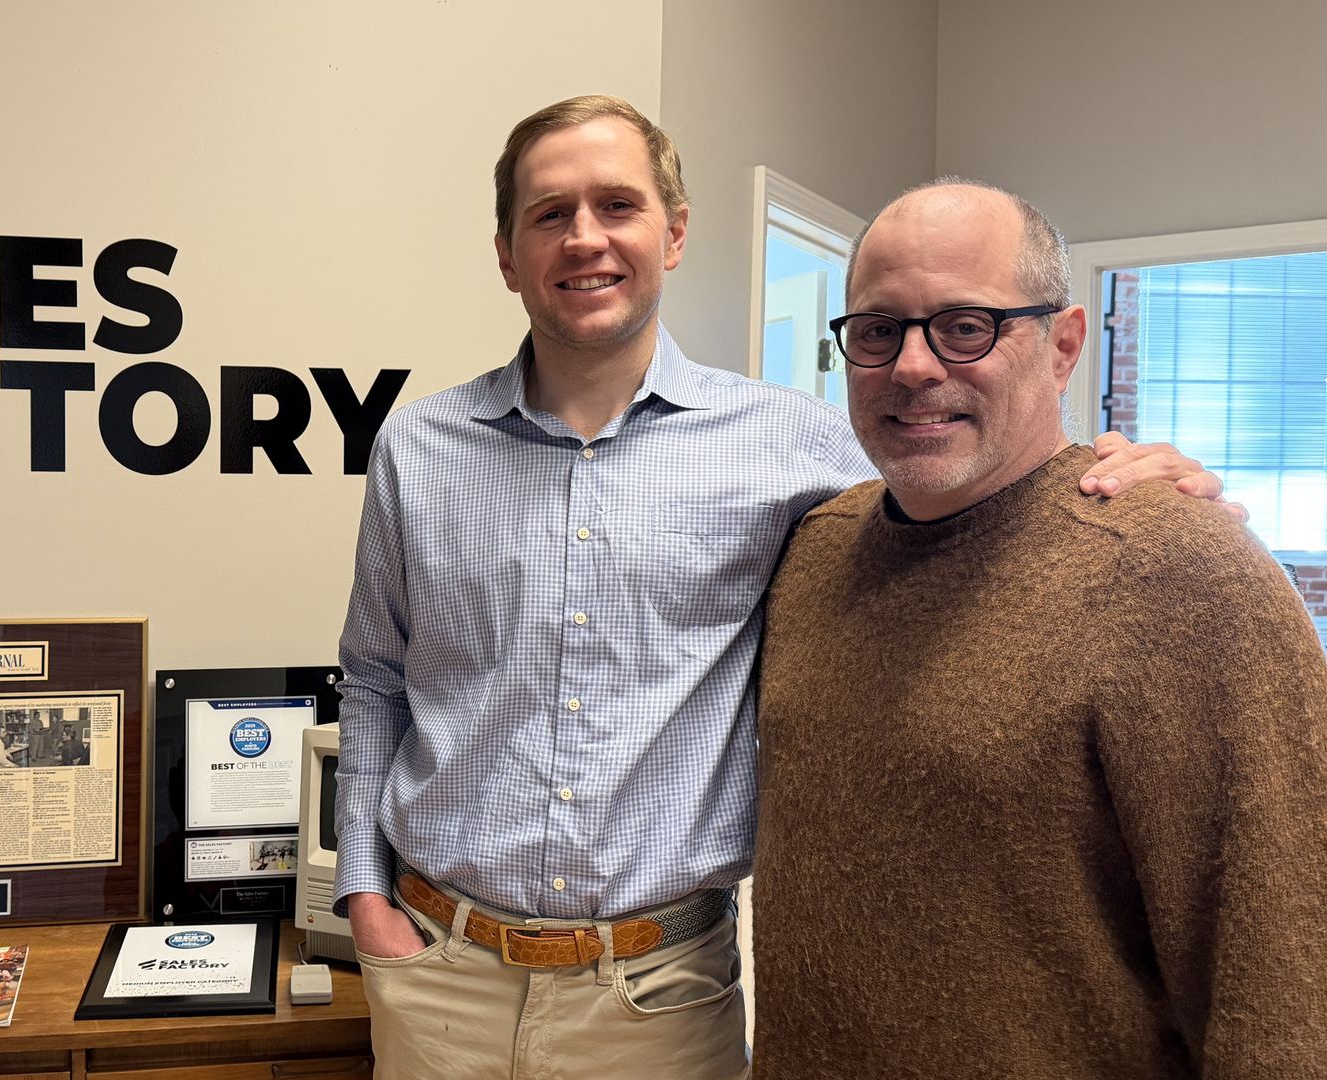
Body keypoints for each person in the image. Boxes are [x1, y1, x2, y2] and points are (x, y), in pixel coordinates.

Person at [334, 96, 1227, 1080]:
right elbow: (375, 681)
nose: (585, 238)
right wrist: (364, 900)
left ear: (673, 234)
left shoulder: (794, 442)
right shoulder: (418, 449)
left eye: (617, 205)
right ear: (507, 253)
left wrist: (1116, 477)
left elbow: (976, 486)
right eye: (549, 214)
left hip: (656, 997)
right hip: (437, 973)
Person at [750, 179, 1327, 1077]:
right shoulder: (812, 554)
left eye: (966, 326)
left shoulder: (1181, 571)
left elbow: (1283, 966)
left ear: (1062, 348)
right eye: (877, 330)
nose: (912, 367)